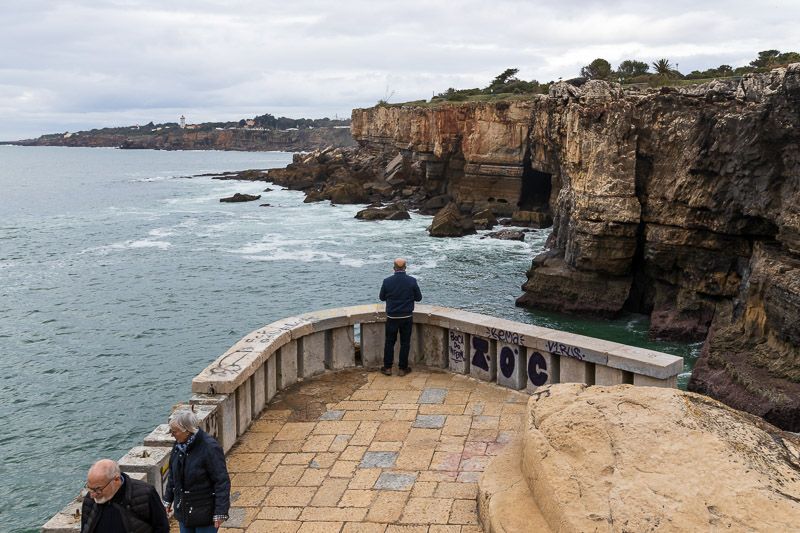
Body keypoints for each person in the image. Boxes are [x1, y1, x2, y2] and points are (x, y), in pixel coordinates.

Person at [164, 410, 230, 533]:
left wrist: (221, 512)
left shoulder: (210, 447)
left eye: (175, 431)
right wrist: (167, 500)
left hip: (204, 512)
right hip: (184, 510)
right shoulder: (178, 445)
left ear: (188, 430)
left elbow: (221, 481)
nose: (172, 435)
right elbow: (173, 475)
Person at [80, 458, 169, 533]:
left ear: (116, 480)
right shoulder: (90, 499)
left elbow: (162, 527)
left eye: (98, 489)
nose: (92, 495)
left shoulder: (146, 493)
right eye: (89, 488)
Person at [379, 257, 422, 376]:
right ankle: (402, 369)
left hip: (392, 317)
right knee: (405, 343)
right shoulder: (412, 281)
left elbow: (382, 297)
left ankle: (387, 368)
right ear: (405, 268)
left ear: (394, 268)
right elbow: (419, 298)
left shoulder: (387, 281)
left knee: (389, 342)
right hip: (406, 316)